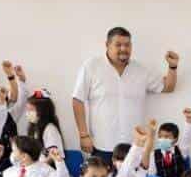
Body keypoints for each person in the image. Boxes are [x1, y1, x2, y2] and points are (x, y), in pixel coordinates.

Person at [72, 27, 179, 161]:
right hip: (102, 146)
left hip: (134, 147)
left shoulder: (141, 70)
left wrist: (173, 67)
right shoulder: (91, 66)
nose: (123, 49)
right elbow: (77, 100)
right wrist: (83, 135)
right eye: (118, 45)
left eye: (127, 45)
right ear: (107, 45)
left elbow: (168, 87)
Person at [146, 109, 191, 177]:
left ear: (175, 139)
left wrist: (188, 119)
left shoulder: (181, 150)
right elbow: (152, 176)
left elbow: (187, 137)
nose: (163, 139)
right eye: (160, 136)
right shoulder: (154, 155)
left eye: (167, 137)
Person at [24, 89, 65, 158]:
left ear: (43, 111)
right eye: (27, 110)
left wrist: (38, 166)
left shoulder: (50, 129)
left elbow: (51, 156)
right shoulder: (34, 127)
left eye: (31, 110)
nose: (27, 113)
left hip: (49, 167)